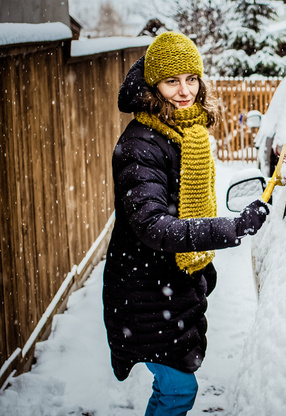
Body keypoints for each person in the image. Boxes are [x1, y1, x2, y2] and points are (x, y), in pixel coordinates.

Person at [103, 31, 269, 416]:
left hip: (168, 285)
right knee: (178, 390)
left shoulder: (185, 131)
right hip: (144, 290)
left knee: (176, 387)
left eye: (191, 78)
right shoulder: (140, 144)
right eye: (172, 81)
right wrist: (232, 228)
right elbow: (154, 226)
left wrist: (201, 270)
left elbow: (184, 207)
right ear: (153, 85)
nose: (184, 91)